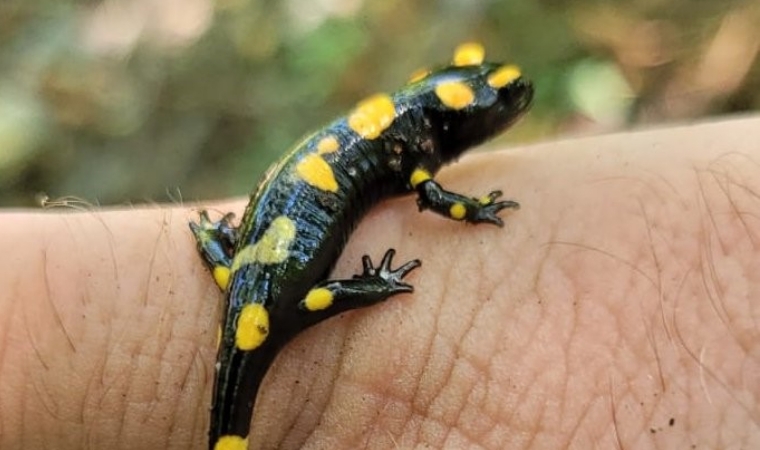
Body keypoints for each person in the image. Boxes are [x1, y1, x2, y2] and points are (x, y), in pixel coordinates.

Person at [1, 116, 758, 449]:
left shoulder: (399, 132)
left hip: (253, 277)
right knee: (299, 302)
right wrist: (383, 282)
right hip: (276, 297)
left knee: (256, 288)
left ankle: (232, 251)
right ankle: (364, 284)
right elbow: (431, 198)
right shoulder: (413, 150)